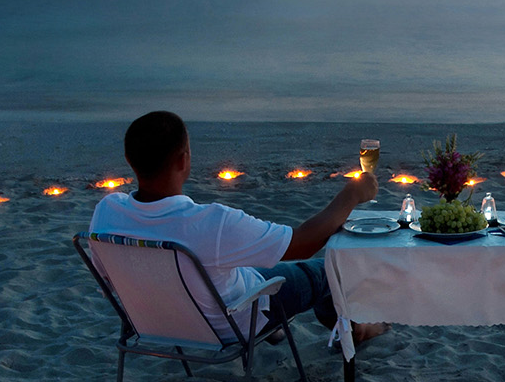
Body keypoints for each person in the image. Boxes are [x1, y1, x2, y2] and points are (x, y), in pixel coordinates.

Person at [90, 110, 386, 343]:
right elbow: (302, 244)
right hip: (231, 323)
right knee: (325, 270)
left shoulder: (107, 212)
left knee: (246, 274)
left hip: (158, 323)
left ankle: (282, 327)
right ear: (184, 160)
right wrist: (351, 196)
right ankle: (358, 330)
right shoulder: (210, 223)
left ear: (129, 160)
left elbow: (108, 280)